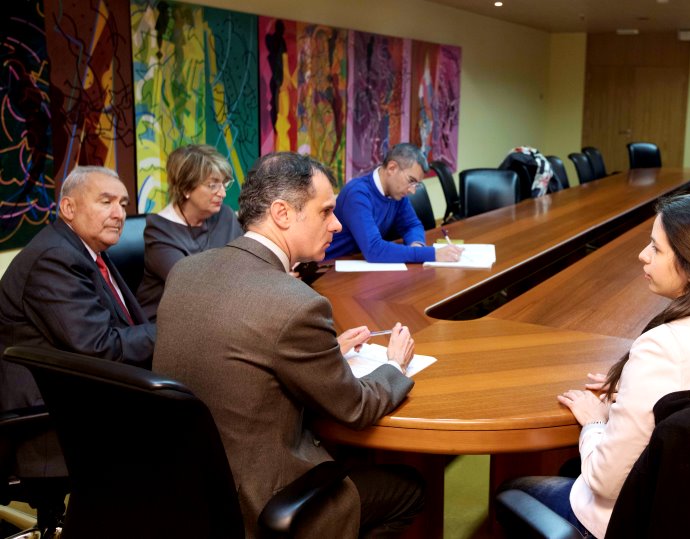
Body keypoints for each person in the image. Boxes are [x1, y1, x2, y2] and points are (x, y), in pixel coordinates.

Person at [152, 152, 424, 538]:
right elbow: (356, 408)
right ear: (282, 214)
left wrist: (329, 351)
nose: (337, 223)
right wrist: (394, 365)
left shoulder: (186, 271)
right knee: (409, 489)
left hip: (187, 494)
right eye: (326, 211)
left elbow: (246, 347)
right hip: (261, 506)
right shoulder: (297, 304)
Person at [499, 194, 690, 538]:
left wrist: (595, 420)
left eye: (655, 248)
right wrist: (640, 391)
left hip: (642, 519)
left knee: (514, 488)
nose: (643, 255)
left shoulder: (661, 347)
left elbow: (605, 482)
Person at [0, 165, 155, 476]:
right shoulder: (54, 258)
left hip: (83, 400)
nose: (119, 214)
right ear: (68, 207)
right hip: (49, 424)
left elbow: (123, 330)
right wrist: (172, 331)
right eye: (106, 201)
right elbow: (99, 347)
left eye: (123, 204)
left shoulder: (89, 251)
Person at [137, 144, 242, 321]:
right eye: (213, 185)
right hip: (167, 325)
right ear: (186, 189)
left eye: (224, 184)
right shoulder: (159, 230)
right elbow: (192, 286)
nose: (223, 193)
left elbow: (247, 260)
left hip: (217, 317)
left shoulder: (224, 215)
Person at [324, 143, 463, 263]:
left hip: (361, 264)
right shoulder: (357, 194)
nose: (413, 190)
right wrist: (432, 254)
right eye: (411, 181)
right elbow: (373, 249)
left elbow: (412, 225)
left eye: (417, 184)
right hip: (331, 267)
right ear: (392, 168)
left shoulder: (396, 195)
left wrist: (417, 245)